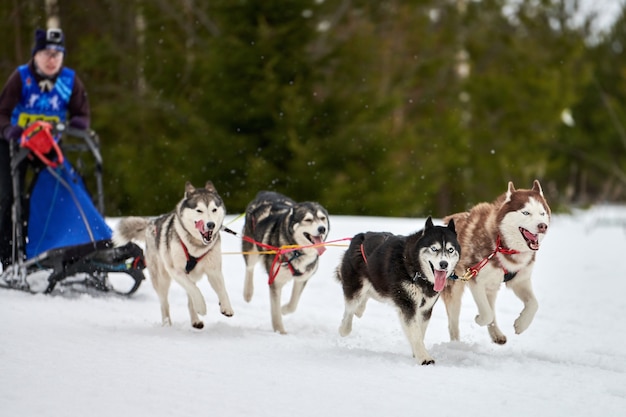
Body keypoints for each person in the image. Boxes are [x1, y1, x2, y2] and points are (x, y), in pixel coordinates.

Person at [0, 28, 90, 270]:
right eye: (47, 53)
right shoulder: (21, 78)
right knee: (8, 198)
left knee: (57, 192)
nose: (52, 60)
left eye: (58, 54)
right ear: (36, 55)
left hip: (49, 145)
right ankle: (9, 260)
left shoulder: (69, 80)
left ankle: (53, 249)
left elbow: (82, 115)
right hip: (15, 144)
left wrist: (74, 126)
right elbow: (2, 113)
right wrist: (10, 131)